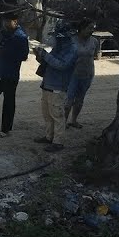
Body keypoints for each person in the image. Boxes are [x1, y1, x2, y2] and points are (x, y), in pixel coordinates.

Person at [34, 23, 79, 153]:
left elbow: (61, 65)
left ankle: (58, 142)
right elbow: (50, 61)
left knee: (58, 116)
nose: (57, 40)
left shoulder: (72, 50)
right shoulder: (58, 48)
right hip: (47, 84)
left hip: (58, 87)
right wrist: (40, 56)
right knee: (47, 115)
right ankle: (49, 137)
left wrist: (45, 55)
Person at [64, 20, 102, 129]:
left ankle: (74, 120)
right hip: (72, 74)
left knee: (80, 99)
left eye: (92, 28)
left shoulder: (94, 41)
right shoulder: (71, 40)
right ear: (81, 28)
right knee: (69, 100)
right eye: (89, 28)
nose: (91, 30)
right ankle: (64, 121)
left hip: (87, 74)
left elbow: (95, 55)